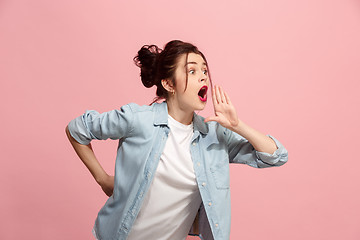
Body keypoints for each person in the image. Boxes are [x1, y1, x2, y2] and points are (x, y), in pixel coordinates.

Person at [65, 40, 288, 240]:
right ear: (169, 85)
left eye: (204, 70)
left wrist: (236, 125)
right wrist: (103, 179)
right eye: (192, 71)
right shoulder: (139, 120)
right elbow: (77, 129)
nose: (203, 76)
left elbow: (276, 156)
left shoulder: (213, 134)